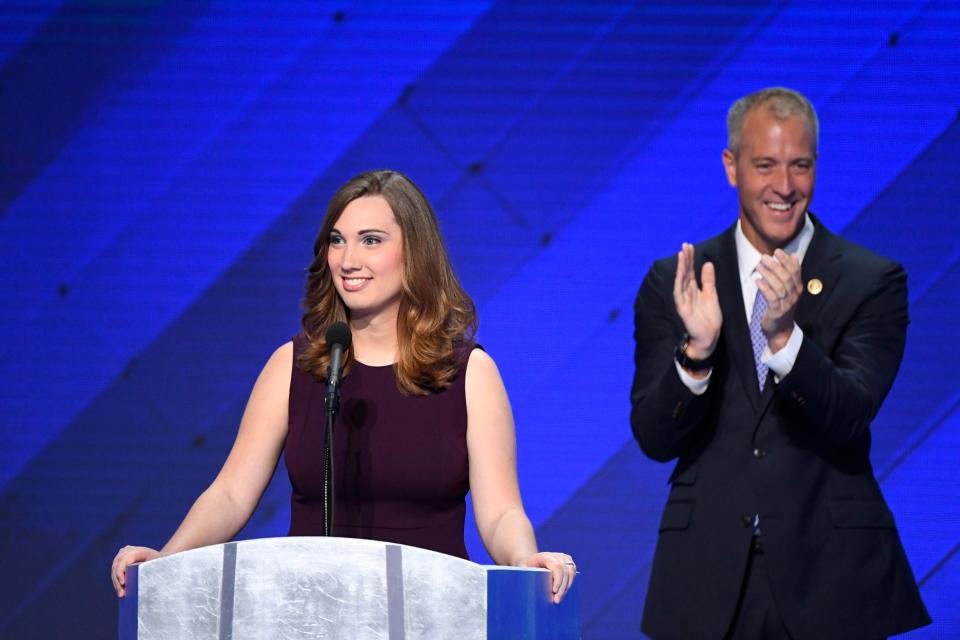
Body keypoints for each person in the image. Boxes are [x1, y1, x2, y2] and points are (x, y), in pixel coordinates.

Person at [112, 169, 576, 603]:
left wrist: (524, 561)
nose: (348, 260)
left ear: (414, 253)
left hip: (432, 610)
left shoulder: (469, 374)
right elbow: (231, 493)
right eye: (338, 241)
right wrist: (166, 561)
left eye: (371, 241)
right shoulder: (293, 365)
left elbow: (500, 513)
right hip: (310, 609)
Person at [631, 88, 930, 639]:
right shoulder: (679, 280)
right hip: (707, 581)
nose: (785, 187)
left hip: (832, 577)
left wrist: (787, 338)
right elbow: (654, 437)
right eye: (765, 166)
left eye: (801, 166)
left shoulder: (872, 280)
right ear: (731, 167)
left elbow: (850, 414)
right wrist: (696, 355)